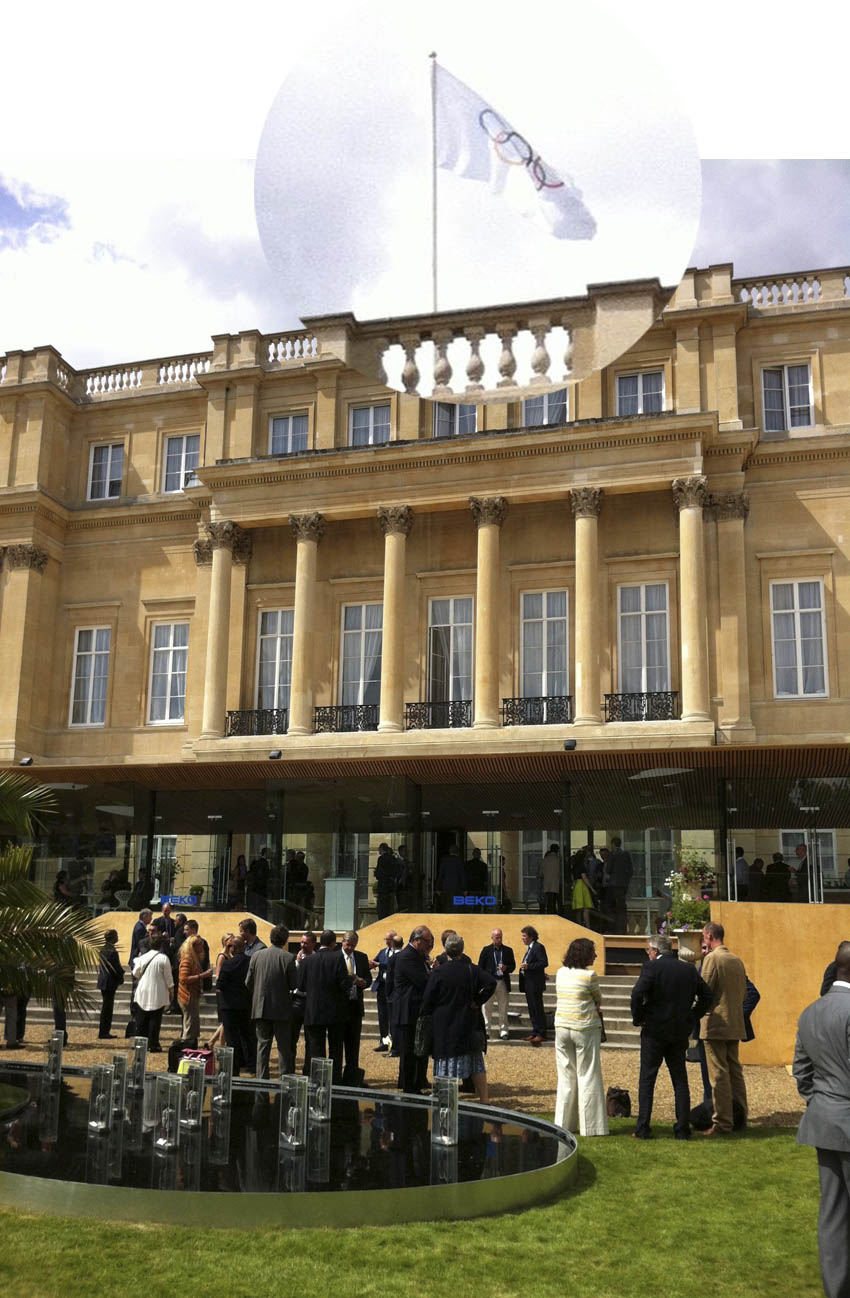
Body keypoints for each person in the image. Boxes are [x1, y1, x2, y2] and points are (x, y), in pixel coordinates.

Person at [793, 940, 850, 1298]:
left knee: (833, 1214)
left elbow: (802, 1072)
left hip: (824, 1121)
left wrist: (823, 1104)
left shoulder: (810, 1011)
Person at [630, 934, 713, 1140]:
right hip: (679, 1030)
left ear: (655, 951)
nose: (648, 954)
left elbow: (637, 995)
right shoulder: (688, 969)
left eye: (648, 950)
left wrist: (639, 1017)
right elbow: (707, 995)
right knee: (680, 1079)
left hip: (654, 1030)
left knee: (647, 1079)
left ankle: (643, 1127)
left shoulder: (651, 968)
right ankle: (682, 1128)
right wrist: (692, 1016)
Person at [420, 934, 496, 1102]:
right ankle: (484, 1099)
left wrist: (428, 1012)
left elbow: (427, 999)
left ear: (446, 950)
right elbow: (491, 982)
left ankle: (446, 1099)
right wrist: (478, 1000)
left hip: (445, 1022)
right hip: (468, 1020)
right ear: (462, 950)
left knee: (445, 1062)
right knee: (476, 1062)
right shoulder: (471, 969)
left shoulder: (439, 972)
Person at [554, 937, 609, 1137]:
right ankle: (591, 1127)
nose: (595, 955)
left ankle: (563, 1124)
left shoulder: (560, 973)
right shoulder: (589, 976)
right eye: (592, 952)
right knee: (588, 1075)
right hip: (584, 1028)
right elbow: (598, 999)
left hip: (562, 1027)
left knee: (566, 1077)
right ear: (584, 954)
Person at [699, 921, 749, 1135]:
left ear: (710, 936)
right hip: (735, 1023)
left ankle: (722, 1123)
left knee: (718, 1074)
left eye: (704, 936)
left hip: (716, 1024)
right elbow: (744, 993)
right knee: (735, 1073)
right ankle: (740, 1118)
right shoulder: (736, 960)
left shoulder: (713, 959)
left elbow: (704, 990)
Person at [243, 921, 297, 1077]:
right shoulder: (288, 958)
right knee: (283, 1048)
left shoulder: (256, 956)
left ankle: (262, 1081)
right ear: (285, 940)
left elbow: (248, 982)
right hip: (281, 1009)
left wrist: (258, 993)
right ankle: (285, 1080)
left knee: (262, 1047)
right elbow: (294, 984)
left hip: (261, 1008)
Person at [297, 929, 350, 1083]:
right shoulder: (338, 957)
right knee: (336, 1049)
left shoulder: (307, 961)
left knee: (315, 1049)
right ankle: (335, 1081)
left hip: (314, 1010)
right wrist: (350, 980)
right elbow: (344, 984)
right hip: (335, 1010)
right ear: (333, 943)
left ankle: (318, 1081)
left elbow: (300, 986)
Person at [389, 925, 434, 1094]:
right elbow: (423, 981)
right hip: (408, 1011)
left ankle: (416, 1084)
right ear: (417, 940)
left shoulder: (418, 956)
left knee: (417, 1051)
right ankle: (409, 1088)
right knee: (409, 1052)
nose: (430, 945)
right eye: (427, 941)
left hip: (415, 1010)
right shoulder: (408, 956)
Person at [216, 935, 255, 1074]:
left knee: (232, 1038)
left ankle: (234, 1068)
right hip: (245, 1004)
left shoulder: (228, 964)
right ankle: (251, 1065)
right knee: (247, 1036)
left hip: (229, 1006)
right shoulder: (250, 962)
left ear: (233, 948)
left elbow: (219, 985)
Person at [339, 930, 373, 1085]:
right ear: (342, 942)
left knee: (353, 1046)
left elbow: (368, 979)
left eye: (353, 946)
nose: (350, 948)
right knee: (337, 1046)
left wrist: (362, 982)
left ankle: (352, 1078)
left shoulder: (361, 957)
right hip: (339, 1007)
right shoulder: (335, 956)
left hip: (355, 1007)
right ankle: (336, 1078)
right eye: (347, 945)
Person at [132, 932, 173, 1052]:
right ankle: (153, 1044)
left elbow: (135, 973)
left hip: (143, 990)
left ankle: (140, 1044)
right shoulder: (164, 958)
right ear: (161, 945)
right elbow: (169, 978)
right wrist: (171, 991)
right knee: (155, 1019)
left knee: (142, 1019)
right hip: (157, 991)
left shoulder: (142, 957)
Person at [477, 928, 516, 1040]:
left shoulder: (508, 950)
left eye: (500, 937)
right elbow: (480, 966)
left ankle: (503, 1031)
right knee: (486, 1007)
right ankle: (486, 1030)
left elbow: (513, 966)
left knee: (503, 1007)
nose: (499, 939)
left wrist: (506, 968)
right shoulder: (486, 950)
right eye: (497, 937)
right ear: (492, 938)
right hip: (489, 982)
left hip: (502, 981)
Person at [178, 933, 212, 1043]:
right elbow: (183, 979)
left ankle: (192, 1044)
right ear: (192, 946)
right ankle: (186, 1045)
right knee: (189, 1024)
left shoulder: (195, 958)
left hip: (193, 994)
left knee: (193, 1023)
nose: (202, 946)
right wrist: (202, 975)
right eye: (199, 944)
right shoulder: (187, 960)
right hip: (187, 995)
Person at [291, 930, 317, 1070]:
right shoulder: (295, 959)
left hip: (310, 1001)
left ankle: (308, 1070)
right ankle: (290, 1068)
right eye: (301, 942)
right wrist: (297, 963)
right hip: (297, 1001)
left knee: (310, 1039)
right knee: (292, 1037)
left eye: (306, 943)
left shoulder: (317, 959)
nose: (302, 945)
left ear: (313, 944)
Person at [519, 925, 549, 1045]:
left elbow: (543, 962)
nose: (523, 938)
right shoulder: (530, 949)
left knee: (537, 1008)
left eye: (525, 936)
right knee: (532, 1009)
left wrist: (529, 966)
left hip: (535, 984)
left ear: (531, 937)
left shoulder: (538, 947)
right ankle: (535, 1031)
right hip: (528, 983)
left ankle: (541, 1033)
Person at [370, 929, 398, 1052]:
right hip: (382, 987)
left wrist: (379, 965)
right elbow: (375, 961)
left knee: (392, 1016)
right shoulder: (382, 952)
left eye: (389, 939)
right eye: (386, 939)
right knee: (382, 1016)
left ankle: (394, 1044)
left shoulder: (398, 953)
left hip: (393, 988)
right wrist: (370, 964)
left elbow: (392, 966)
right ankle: (384, 1042)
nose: (387, 941)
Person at [97, 928, 124, 1040]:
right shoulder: (112, 951)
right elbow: (115, 967)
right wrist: (121, 975)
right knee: (107, 1008)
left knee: (106, 1007)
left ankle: (104, 1030)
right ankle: (104, 1031)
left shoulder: (103, 949)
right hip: (109, 981)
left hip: (104, 981)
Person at [606, 837, 633, 933]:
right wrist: (626, 880)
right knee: (622, 906)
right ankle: (622, 927)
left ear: (613, 844)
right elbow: (631, 870)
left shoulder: (612, 855)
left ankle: (614, 927)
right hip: (623, 884)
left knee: (611, 906)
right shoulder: (626, 854)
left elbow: (608, 869)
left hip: (614, 884)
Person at [374, 843, 400, 919]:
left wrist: (377, 874)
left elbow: (379, 873)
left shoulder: (381, 859)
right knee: (389, 907)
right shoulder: (393, 858)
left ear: (381, 849)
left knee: (382, 908)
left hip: (383, 886)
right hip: (391, 886)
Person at [571, 850, 595, 928]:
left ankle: (579, 925)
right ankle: (588, 926)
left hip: (576, 886)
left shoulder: (574, 866)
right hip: (582, 885)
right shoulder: (582, 866)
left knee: (578, 909)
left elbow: (572, 878)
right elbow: (584, 877)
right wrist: (591, 888)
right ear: (583, 857)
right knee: (586, 908)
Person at [436, 845, 464, 912]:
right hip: (457, 887)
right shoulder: (459, 861)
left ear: (450, 851)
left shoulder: (444, 860)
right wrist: (464, 889)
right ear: (457, 852)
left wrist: (438, 888)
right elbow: (462, 876)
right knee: (456, 908)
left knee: (446, 907)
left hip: (446, 887)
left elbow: (440, 875)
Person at [540, 844, 561, 914]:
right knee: (556, 901)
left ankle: (549, 913)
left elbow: (541, 873)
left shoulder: (544, 860)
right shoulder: (558, 860)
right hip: (556, 884)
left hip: (546, 884)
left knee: (549, 901)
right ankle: (556, 913)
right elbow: (560, 872)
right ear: (557, 850)